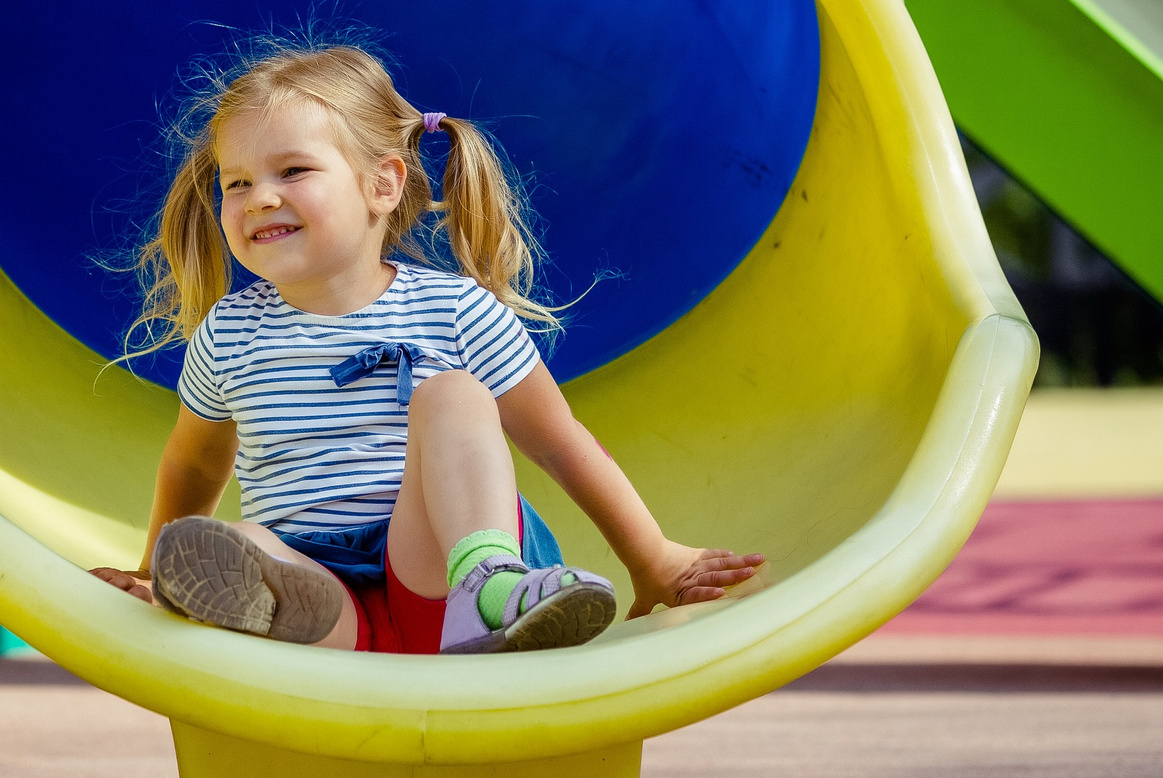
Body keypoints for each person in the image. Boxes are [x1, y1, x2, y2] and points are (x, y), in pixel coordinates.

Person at [89, 42, 761, 653]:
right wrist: (153, 571)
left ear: (382, 184)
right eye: (236, 182)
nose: (259, 197)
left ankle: (493, 588)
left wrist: (651, 559)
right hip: (320, 596)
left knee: (454, 395)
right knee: (228, 545)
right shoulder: (231, 335)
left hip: (435, 568)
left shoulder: (455, 310)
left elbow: (561, 442)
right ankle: (281, 612)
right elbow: (193, 466)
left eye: (292, 170)